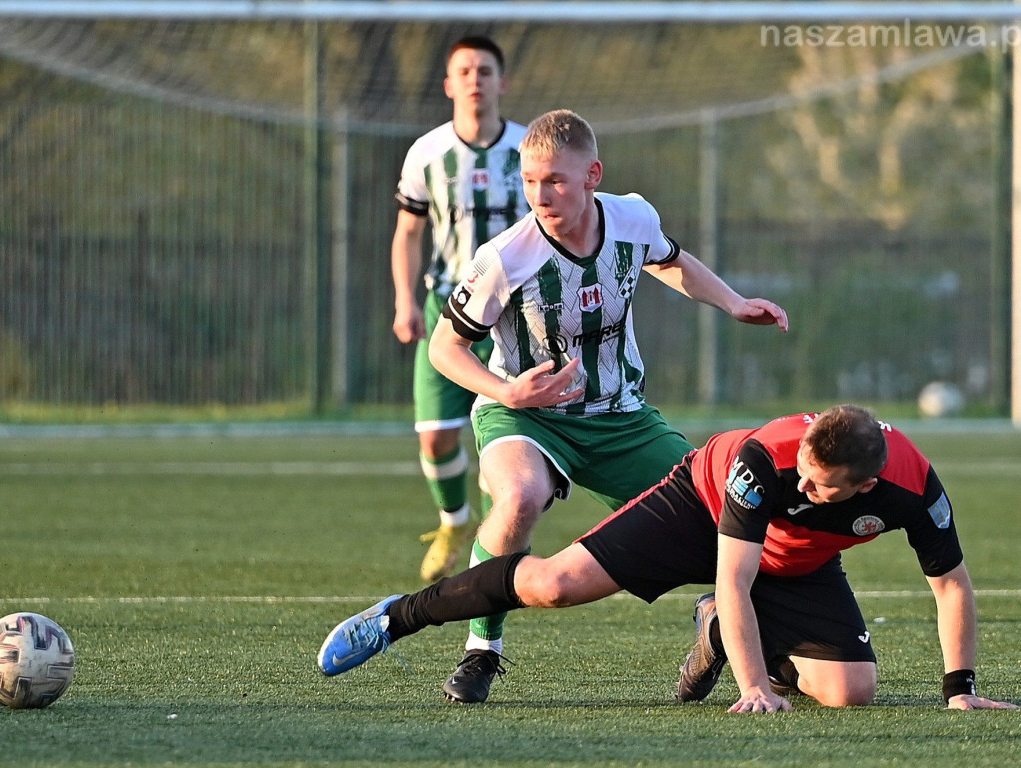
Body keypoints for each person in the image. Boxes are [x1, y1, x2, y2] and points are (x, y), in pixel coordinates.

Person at [373, 107, 788, 704]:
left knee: (728, 523)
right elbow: (445, 348)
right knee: (518, 499)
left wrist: (733, 302)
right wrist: (508, 392)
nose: (540, 194)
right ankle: (481, 650)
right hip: (525, 416)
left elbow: (669, 261)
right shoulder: (504, 259)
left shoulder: (632, 217)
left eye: (556, 181)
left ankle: (722, 623)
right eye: (531, 181)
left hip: (621, 418)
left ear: (593, 175)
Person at [317, 405, 1017, 713]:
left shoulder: (912, 486)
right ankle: (397, 617)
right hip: (703, 509)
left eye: (818, 486)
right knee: (555, 584)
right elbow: (735, 576)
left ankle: (714, 632)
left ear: (865, 487)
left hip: (796, 563)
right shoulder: (764, 460)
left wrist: (958, 686)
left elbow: (951, 584)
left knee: (851, 692)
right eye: (802, 472)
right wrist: (752, 688)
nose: (801, 487)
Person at [391, 35, 530, 585]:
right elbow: (407, 232)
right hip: (447, 306)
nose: (475, 79)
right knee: (436, 435)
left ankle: (496, 547)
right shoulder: (426, 152)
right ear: (449, 84)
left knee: (510, 449)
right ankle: (453, 521)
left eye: (485, 70)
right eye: (465, 70)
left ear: (503, 82)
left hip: (517, 314)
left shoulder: (528, 149)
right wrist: (405, 301)